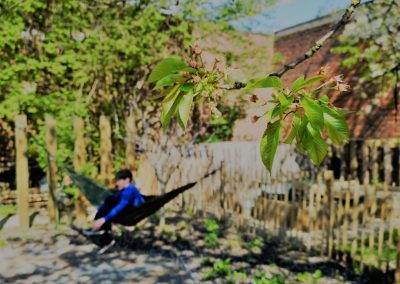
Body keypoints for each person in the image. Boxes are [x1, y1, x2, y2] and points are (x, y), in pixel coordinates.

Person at [85, 169, 144, 248]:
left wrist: (103, 219)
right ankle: (103, 235)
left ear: (127, 180)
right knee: (109, 199)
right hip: (124, 211)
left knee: (109, 206)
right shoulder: (123, 190)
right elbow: (109, 202)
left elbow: (120, 207)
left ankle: (104, 237)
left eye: (119, 180)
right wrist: (96, 212)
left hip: (131, 213)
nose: (117, 183)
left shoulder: (129, 191)